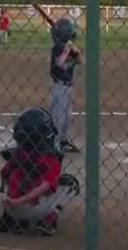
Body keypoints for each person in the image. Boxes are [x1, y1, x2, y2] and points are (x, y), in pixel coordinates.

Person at [0, 107, 80, 236]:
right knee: (70, 183)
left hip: (11, 207)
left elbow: (3, 173)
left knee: (9, 175)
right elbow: (45, 186)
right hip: (36, 209)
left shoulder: (18, 153)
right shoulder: (52, 158)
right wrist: (19, 201)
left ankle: (11, 220)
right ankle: (48, 220)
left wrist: (11, 200)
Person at [49, 18, 82, 153]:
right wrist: (68, 49)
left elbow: (81, 61)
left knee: (67, 116)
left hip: (68, 86)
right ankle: (52, 143)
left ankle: (63, 141)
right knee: (58, 116)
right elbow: (60, 63)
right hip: (59, 86)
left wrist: (76, 52)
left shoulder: (69, 48)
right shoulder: (58, 48)